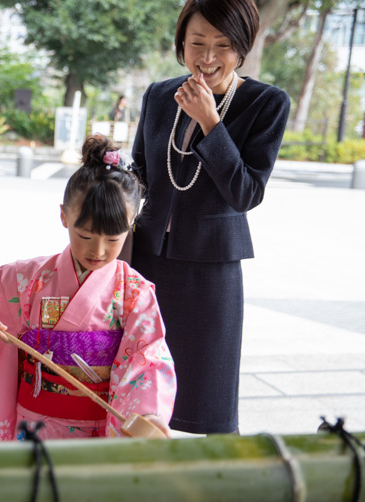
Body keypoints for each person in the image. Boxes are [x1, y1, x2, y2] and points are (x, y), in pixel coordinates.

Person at [0, 135, 176, 442]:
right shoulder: (29, 280)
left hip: (97, 429)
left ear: (131, 224)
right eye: (85, 235)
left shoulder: (134, 293)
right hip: (32, 427)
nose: (98, 250)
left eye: (113, 239)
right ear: (64, 216)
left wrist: (149, 413)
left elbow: (148, 356)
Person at [130, 0, 290, 435]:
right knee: (136, 377)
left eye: (222, 45)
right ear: (181, 43)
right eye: (197, 42)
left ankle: (221, 483)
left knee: (210, 393)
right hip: (146, 259)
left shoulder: (267, 103)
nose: (207, 57)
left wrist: (211, 123)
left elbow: (247, 192)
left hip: (211, 267)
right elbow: (140, 173)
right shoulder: (160, 95)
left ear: (241, 48)